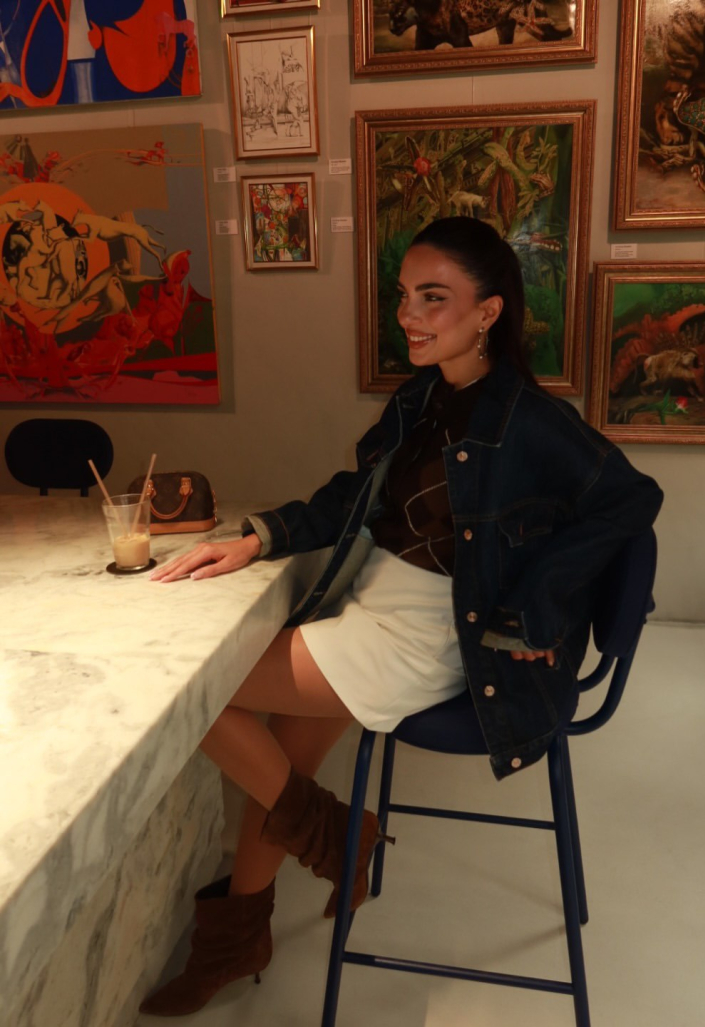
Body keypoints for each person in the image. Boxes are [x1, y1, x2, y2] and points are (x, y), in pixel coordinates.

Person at [139, 217, 663, 1017]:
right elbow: (354, 494)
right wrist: (258, 537)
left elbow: (631, 499)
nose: (409, 316)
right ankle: (244, 931)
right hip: (370, 602)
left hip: (428, 633)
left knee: (188, 688)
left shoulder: (528, 418)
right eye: (405, 295)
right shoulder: (422, 395)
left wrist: (539, 606)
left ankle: (341, 840)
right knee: (280, 765)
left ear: (488, 312)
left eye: (433, 298)